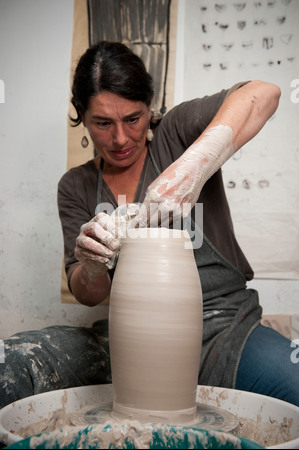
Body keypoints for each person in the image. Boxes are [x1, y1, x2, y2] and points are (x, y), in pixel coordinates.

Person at [0, 41, 298, 411]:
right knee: (11, 366)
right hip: (130, 337)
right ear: (81, 116)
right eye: (103, 123)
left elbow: (264, 93)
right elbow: (87, 293)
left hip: (226, 327)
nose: (121, 138)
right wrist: (92, 262)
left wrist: (195, 165)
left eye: (133, 119)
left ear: (150, 108)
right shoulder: (75, 186)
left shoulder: (177, 132)